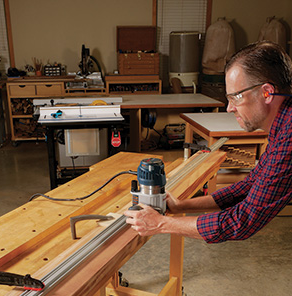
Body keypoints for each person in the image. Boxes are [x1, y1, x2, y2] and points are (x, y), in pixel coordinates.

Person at [124, 41, 292, 243]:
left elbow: (241, 221)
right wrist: (180, 206)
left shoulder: (289, 137)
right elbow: (248, 186)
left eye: (236, 97)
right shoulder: (282, 126)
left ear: (267, 92)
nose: (230, 108)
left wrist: (161, 223)